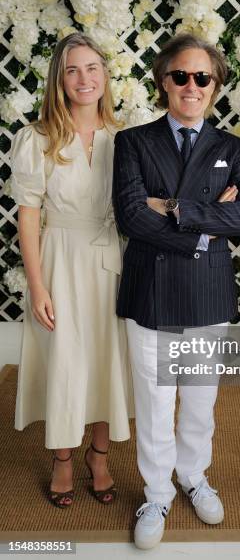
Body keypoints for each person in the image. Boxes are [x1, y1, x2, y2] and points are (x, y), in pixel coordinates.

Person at [113, 33, 240, 549]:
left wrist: (173, 209)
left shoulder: (232, 149)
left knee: (199, 399)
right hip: (151, 290)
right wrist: (203, 226)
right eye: (181, 76)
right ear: (163, 81)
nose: (191, 86)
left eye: (203, 77)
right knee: (154, 400)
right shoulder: (133, 142)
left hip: (207, 291)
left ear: (215, 85)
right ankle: (156, 492)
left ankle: (193, 478)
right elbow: (131, 215)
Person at [10, 32, 133, 508]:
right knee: (66, 360)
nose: (84, 78)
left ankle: (98, 457)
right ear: (59, 81)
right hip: (59, 259)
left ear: (104, 76)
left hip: (110, 262)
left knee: (106, 357)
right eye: (72, 70)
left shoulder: (124, 137)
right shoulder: (37, 138)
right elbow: (29, 215)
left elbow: (140, 204)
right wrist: (37, 284)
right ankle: (63, 459)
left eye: (92, 68)